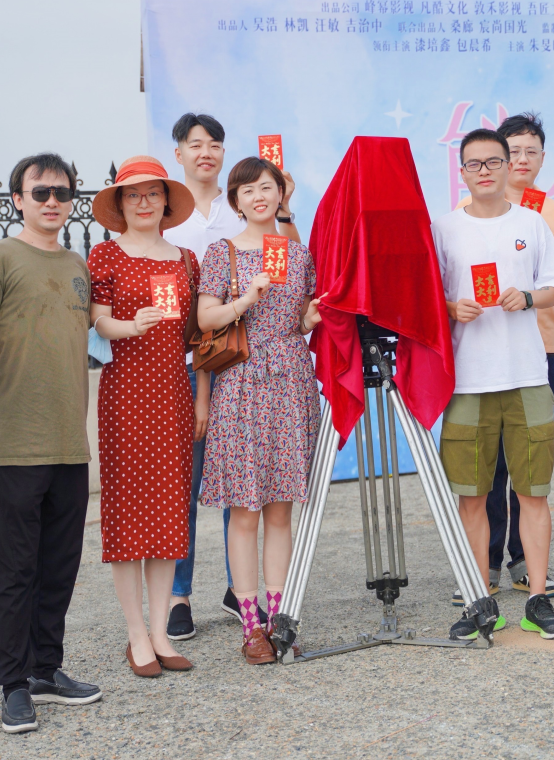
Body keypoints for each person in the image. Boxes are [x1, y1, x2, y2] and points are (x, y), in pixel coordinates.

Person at [0, 153, 101, 734]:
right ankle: (14, 684)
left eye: (62, 193)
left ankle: (46, 669)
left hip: (70, 439)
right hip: (17, 439)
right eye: (40, 191)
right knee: (14, 569)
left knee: (59, 564)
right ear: (18, 199)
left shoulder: (77, 264)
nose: (52, 201)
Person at [162, 113, 303, 639]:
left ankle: (254, 602)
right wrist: (245, 299)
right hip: (202, 369)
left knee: (266, 501)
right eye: (195, 144)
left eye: (214, 144)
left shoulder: (275, 238)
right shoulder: (170, 219)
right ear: (179, 152)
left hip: (272, 377)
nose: (206, 151)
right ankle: (180, 595)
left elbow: (300, 301)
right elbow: (206, 316)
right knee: (194, 488)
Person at [435, 128, 554, 641]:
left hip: (527, 376)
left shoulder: (531, 222)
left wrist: (528, 297)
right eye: (475, 163)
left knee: (533, 492)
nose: (486, 171)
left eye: (495, 161)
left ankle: (537, 600)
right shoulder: (443, 228)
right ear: (462, 172)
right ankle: (479, 600)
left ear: (508, 165)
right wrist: (451, 308)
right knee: (472, 496)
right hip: (467, 381)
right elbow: (426, 297)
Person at [195, 156, 322, 664]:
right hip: (241, 384)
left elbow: (302, 316)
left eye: (267, 187)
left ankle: (280, 619)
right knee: (245, 512)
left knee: (281, 511)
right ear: (236, 201)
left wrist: (311, 317)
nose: (258, 197)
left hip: (291, 382)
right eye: (247, 191)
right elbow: (205, 319)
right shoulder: (221, 252)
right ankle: (251, 626)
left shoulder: (298, 252)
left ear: (280, 194)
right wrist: (246, 299)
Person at [88, 155, 203, 677]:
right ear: (120, 204)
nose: (143, 203)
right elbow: (98, 322)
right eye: (133, 195)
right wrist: (130, 325)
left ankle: (160, 632)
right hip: (126, 393)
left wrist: (202, 398)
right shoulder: (105, 255)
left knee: (168, 512)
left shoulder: (186, 259)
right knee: (128, 513)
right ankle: (136, 634)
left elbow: (196, 336)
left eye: (153, 193)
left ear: (166, 201)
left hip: (173, 390)